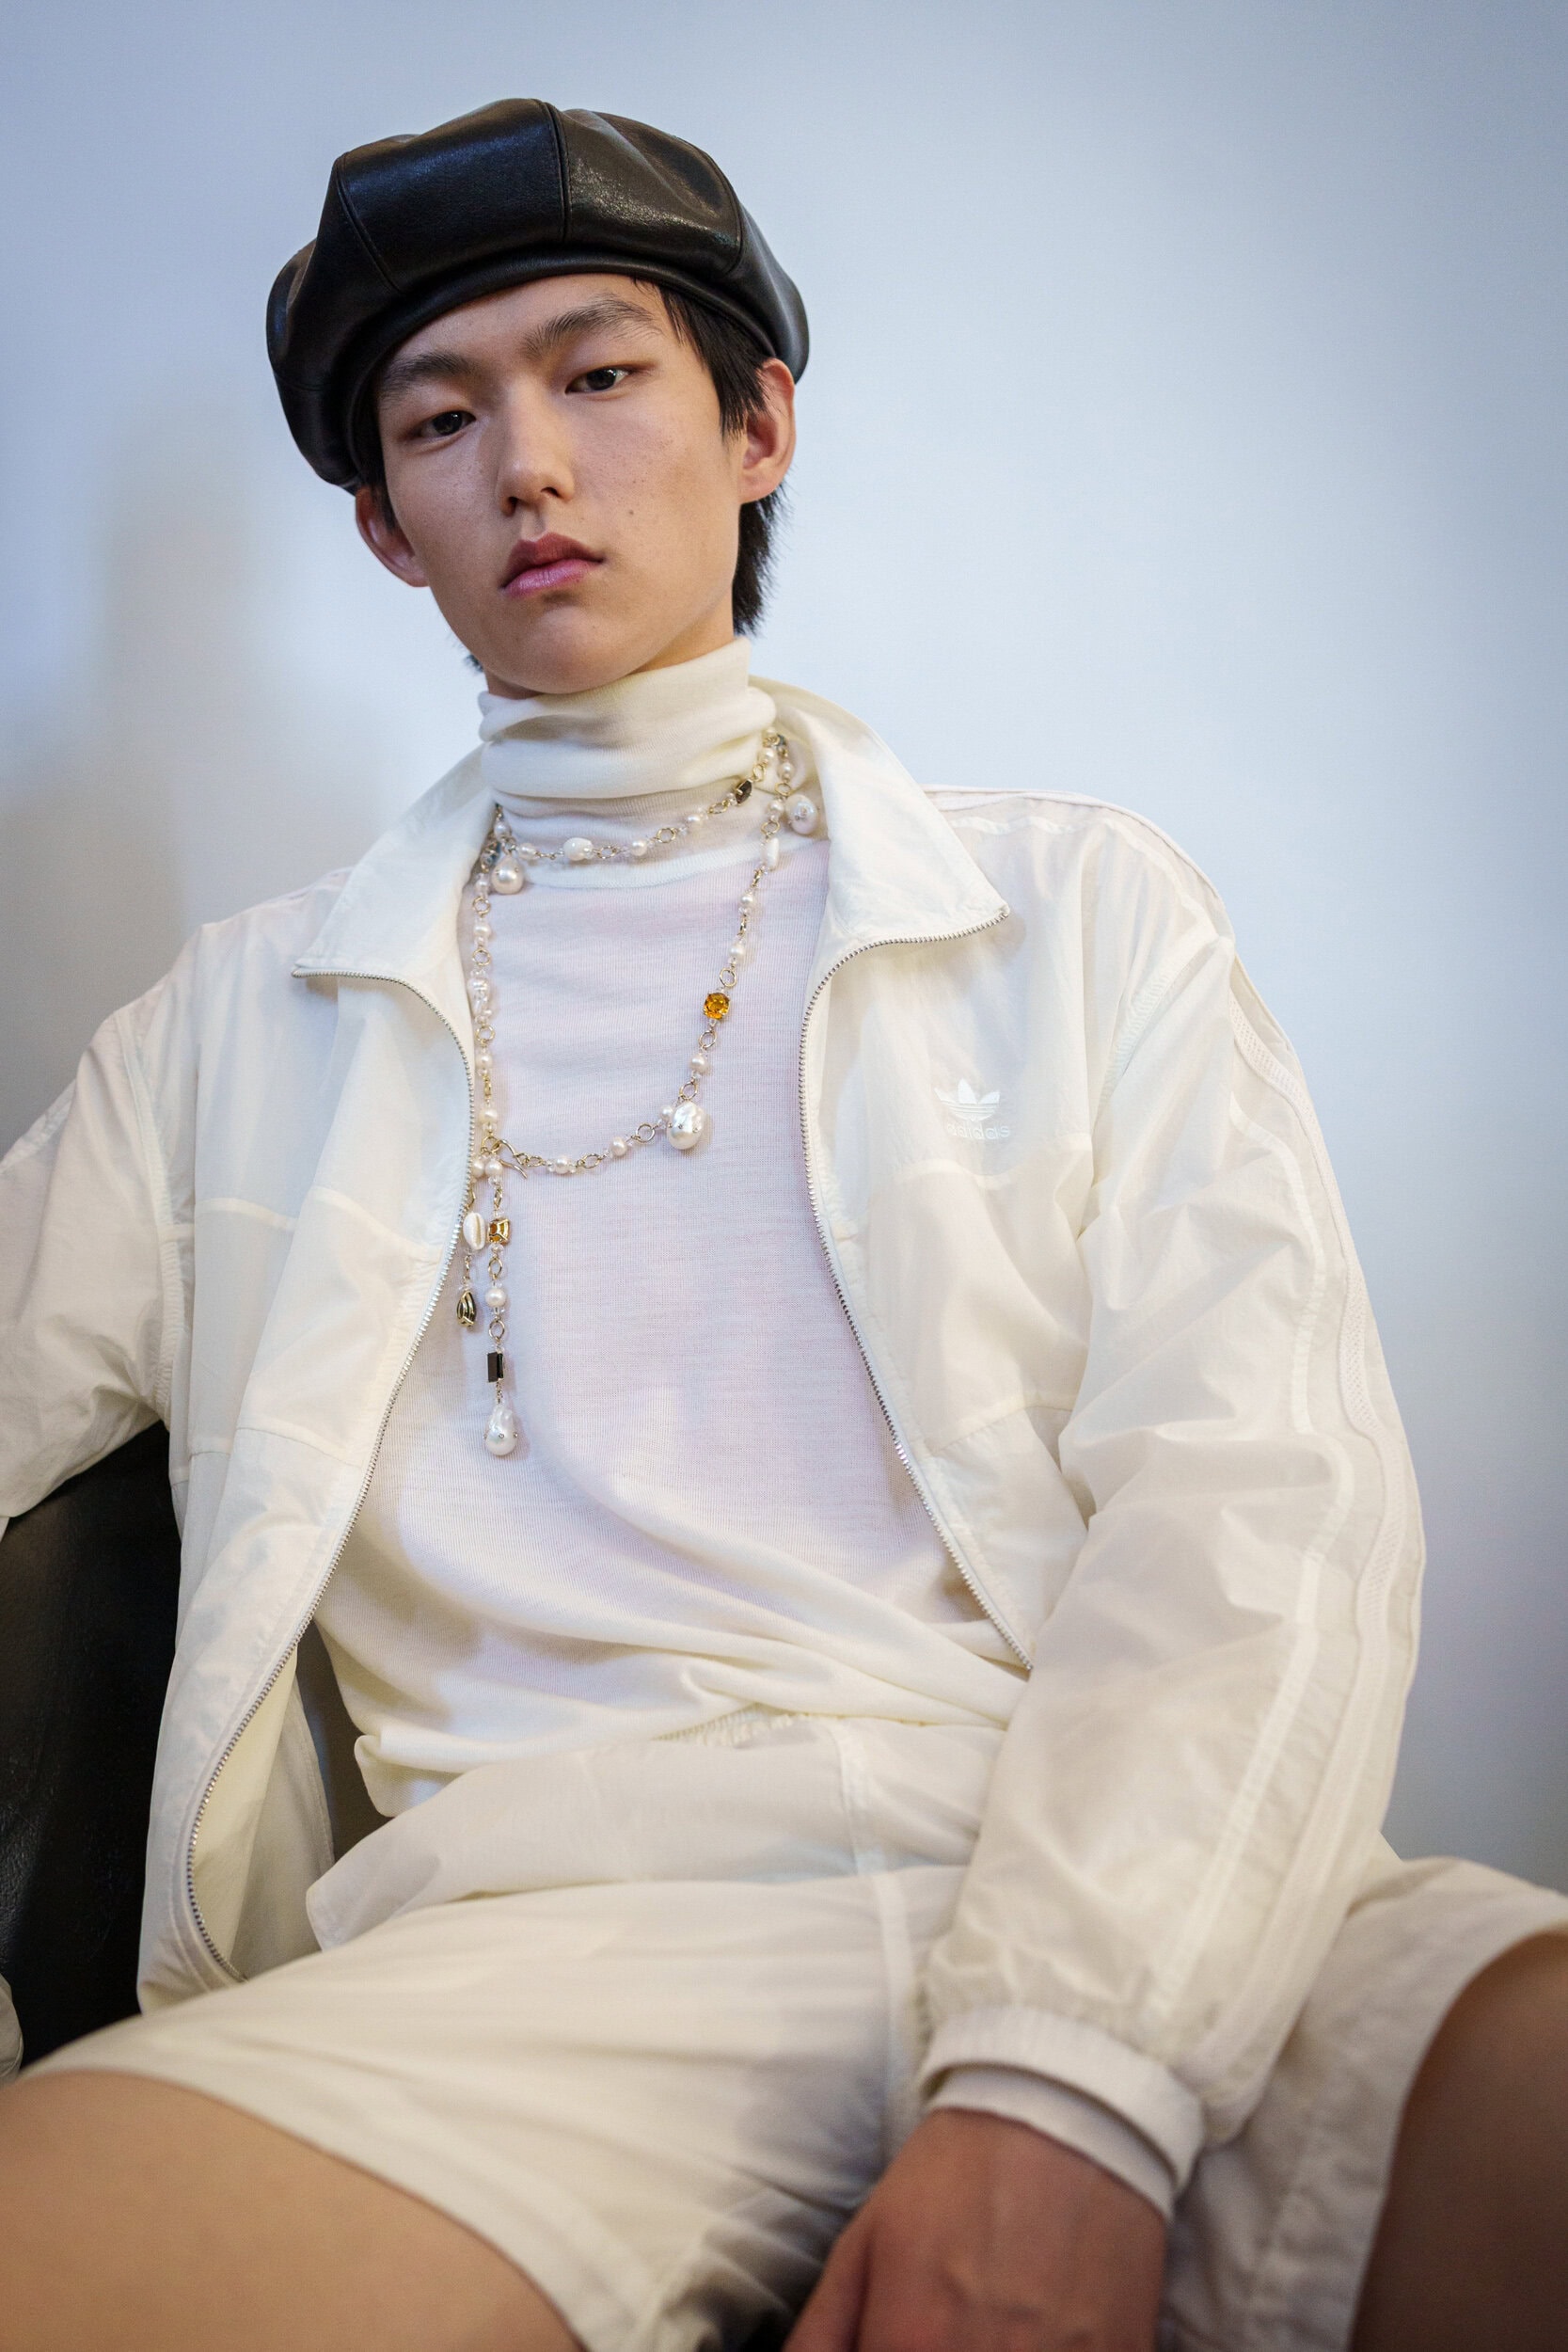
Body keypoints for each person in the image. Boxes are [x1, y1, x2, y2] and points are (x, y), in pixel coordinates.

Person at [0, 98, 1563, 2352]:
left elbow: (1263, 1506)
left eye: (598, 373)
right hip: (520, 1967)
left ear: (759, 427)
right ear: (384, 527)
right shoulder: (234, 1026)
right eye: (443, 420)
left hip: (1095, 1866)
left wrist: (1069, 2085)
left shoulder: (1077, 910)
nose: (531, 463)